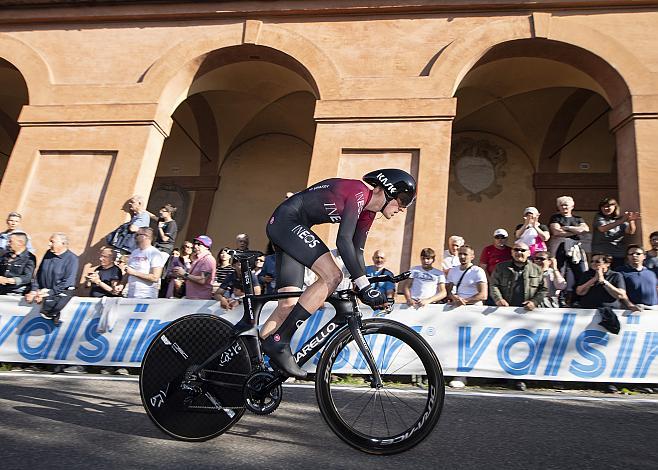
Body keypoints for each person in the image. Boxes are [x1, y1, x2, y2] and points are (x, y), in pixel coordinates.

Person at [261, 168, 416, 378]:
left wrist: (365, 285)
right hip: (288, 221)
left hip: (290, 226)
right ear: (388, 190)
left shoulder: (367, 213)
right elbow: (343, 242)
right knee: (333, 275)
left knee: (287, 305)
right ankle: (281, 342)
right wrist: (364, 286)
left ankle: (255, 361)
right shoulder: (358, 192)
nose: (403, 208)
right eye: (403, 200)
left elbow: (356, 252)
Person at [490, 241, 547, 391]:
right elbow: (493, 284)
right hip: (505, 314)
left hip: (526, 315)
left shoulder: (536, 269)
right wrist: (498, 299)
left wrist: (534, 302)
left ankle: (519, 379)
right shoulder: (501, 267)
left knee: (522, 346)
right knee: (502, 344)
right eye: (516, 249)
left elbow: (543, 289)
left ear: (529, 253)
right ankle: (499, 376)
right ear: (512, 251)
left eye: (523, 250)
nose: (519, 252)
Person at [26, 233, 79, 327]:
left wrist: (49, 292)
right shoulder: (48, 253)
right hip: (41, 293)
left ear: (63, 243)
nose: (49, 244)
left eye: (52, 242)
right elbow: (39, 273)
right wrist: (34, 290)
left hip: (56, 296)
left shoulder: (72, 259)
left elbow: (67, 282)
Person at [548, 196, 589, 287]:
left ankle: (577, 296)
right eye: (561, 205)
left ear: (572, 206)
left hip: (575, 248)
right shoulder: (555, 218)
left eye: (566, 205)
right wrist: (576, 231)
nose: (564, 207)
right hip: (560, 247)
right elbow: (556, 232)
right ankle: (560, 296)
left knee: (580, 271)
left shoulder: (578, 218)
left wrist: (567, 228)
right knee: (559, 271)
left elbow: (585, 229)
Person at [591, 197, 640, 269]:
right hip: (601, 253)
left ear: (615, 207)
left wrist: (631, 221)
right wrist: (622, 220)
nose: (605, 208)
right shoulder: (599, 217)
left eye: (608, 206)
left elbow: (630, 232)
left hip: (618, 254)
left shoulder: (621, 218)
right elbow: (602, 228)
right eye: (603, 206)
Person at [122, 227, 165, 299]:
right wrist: (122, 284)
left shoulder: (155, 253)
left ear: (146, 236)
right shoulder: (134, 252)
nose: (135, 237)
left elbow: (155, 277)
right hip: (131, 294)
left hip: (145, 296)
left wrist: (134, 273)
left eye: (137, 235)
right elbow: (129, 271)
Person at [172, 235, 216, 300]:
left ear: (207, 247)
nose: (195, 246)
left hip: (199, 298)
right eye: (195, 243)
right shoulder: (197, 259)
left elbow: (202, 280)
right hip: (191, 296)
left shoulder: (208, 259)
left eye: (199, 244)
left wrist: (184, 274)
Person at [0, 232, 36, 296]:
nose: (8, 244)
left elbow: (27, 277)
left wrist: (8, 280)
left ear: (20, 243)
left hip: (17, 292)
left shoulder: (29, 258)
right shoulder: (5, 255)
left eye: (10, 241)